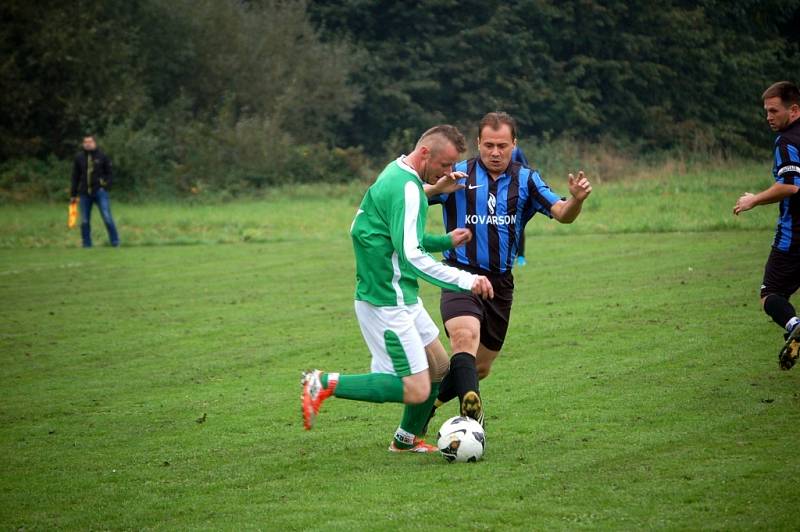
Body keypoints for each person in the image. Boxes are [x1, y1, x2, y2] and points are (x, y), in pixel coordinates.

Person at [301, 125, 494, 452]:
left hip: (400, 294)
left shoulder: (397, 174)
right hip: (385, 301)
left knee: (439, 367)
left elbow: (390, 234)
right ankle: (322, 383)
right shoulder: (406, 188)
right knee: (416, 389)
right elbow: (412, 254)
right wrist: (466, 280)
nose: (450, 173)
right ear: (424, 154)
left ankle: (406, 440)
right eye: (445, 165)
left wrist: (444, 238)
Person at [424, 111, 592, 426]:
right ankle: (471, 415)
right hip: (460, 275)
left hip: (500, 284)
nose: (495, 152)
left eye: (502, 145)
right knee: (464, 336)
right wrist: (435, 190)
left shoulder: (527, 179)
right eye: (488, 145)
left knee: (480, 367)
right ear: (478, 143)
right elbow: (409, 199)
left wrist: (577, 200)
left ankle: (427, 407)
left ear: (514, 144)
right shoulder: (458, 174)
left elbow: (562, 213)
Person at [733, 80, 800, 370]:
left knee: (769, 295)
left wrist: (754, 200)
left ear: (794, 109)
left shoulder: (787, 141)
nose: (768, 117)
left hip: (794, 237)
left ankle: (795, 324)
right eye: (766, 111)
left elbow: (790, 185)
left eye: (774, 111)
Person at [70, 135, 120, 248]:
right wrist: (73, 194)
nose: (88, 144)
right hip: (84, 194)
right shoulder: (79, 158)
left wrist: (105, 186)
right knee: (84, 220)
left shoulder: (102, 156)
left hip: (100, 192)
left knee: (107, 217)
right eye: (85, 142)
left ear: (94, 143)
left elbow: (110, 174)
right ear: (83, 144)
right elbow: (75, 177)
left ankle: (115, 242)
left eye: (90, 141)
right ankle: (87, 244)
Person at [511, 146, 530, 266]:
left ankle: (521, 256)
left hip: (517, 194)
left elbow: (526, 168)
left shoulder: (517, 151)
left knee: (519, 226)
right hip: (499, 194)